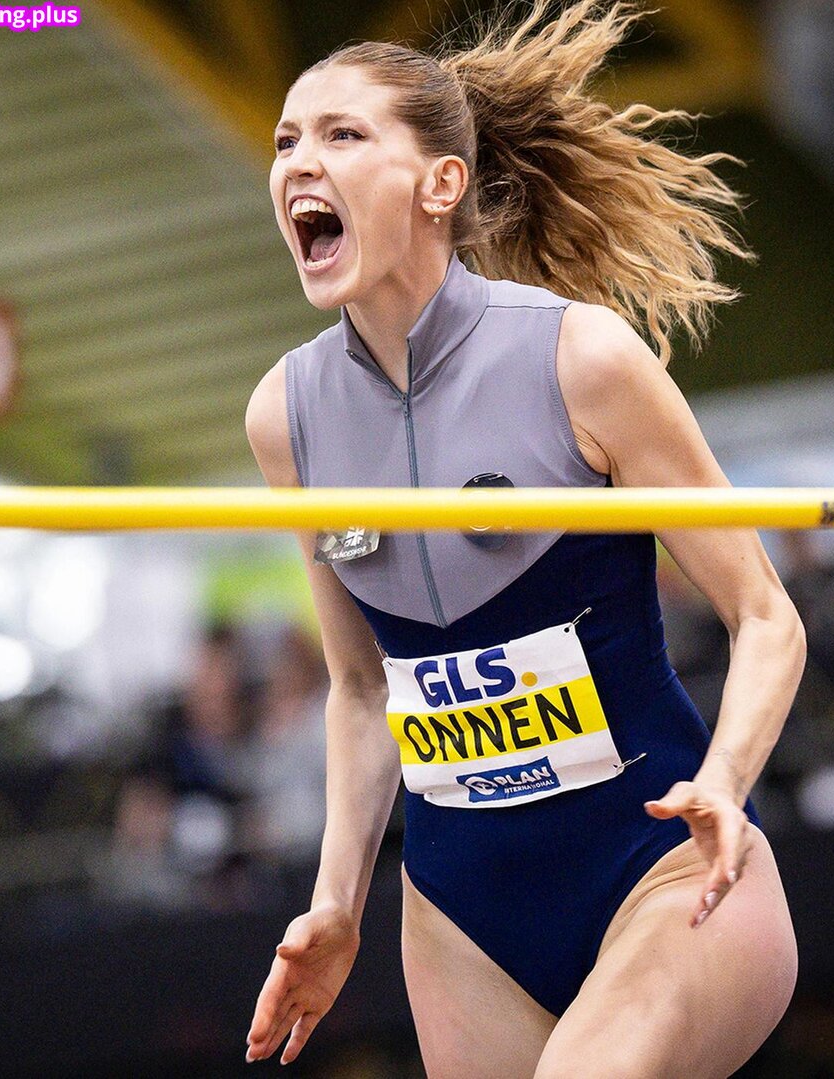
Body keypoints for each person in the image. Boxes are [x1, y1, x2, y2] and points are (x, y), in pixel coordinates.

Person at [244, 3, 805, 1075]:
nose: (299, 162)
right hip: (462, 916)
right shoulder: (287, 416)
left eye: (342, 134)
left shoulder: (582, 359)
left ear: (440, 183)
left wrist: (727, 781)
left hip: (665, 869)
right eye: (285, 141)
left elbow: (767, 617)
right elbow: (361, 689)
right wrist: (335, 904)